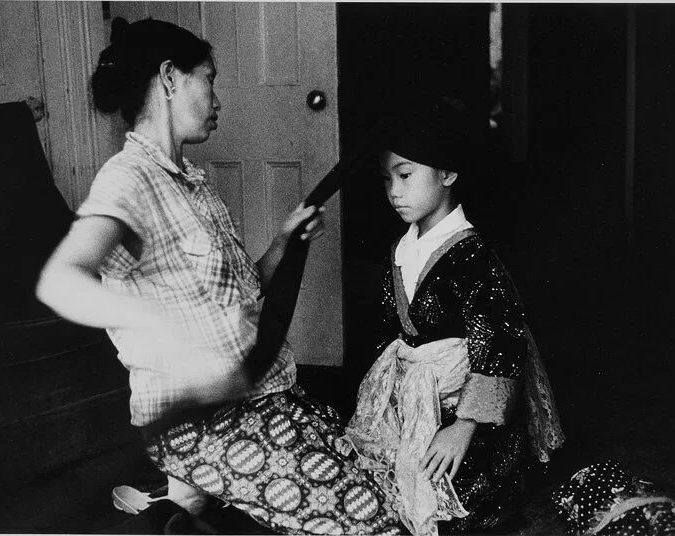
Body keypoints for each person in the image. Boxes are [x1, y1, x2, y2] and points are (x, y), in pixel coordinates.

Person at [36, 18, 402, 536]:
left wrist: (281, 244)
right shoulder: (129, 180)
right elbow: (60, 280)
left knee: (380, 474)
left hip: (262, 396)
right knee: (376, 524)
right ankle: (190, 488)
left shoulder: (194, 188)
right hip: (201, 422)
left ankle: (186, 497)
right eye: (208, 78)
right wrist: (155, 324)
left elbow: (235, 297)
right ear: (170, 79)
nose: (217, 98)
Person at [339, 100, 566, 536]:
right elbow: (395, 331)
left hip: (462, 409)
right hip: (415, 394)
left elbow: (500, 339)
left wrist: (463, 426)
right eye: (387, 179)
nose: (394, 191)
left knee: (457, 493)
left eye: (405, 176)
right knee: (378, 477)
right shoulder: (401, 247)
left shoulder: (471, 254)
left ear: (448, 174)